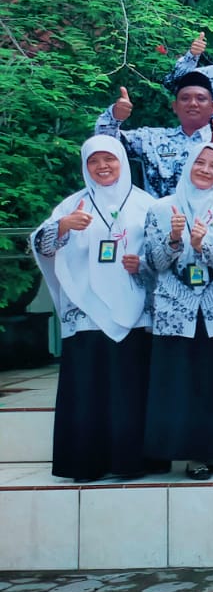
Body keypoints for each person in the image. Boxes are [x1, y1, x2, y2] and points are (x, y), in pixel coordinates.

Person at [31, 137, 158, 483]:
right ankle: (86, 463)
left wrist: (142, 263)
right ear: (85, 166)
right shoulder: (73, 204)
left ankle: (130, 462)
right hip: (85, 308)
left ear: (122, 161)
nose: (102, 167)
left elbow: (162, 254)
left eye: (109, 159)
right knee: (88, 387)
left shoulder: (146, 204)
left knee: (128, 386)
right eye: (94, 161)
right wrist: (63, 226)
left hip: (132, 308)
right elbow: (41, 244)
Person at [142, 142, 213, 480]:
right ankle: (192, 456)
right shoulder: (161, 209)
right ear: (188, 165)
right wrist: (175, 239)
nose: (205, 170)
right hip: (178, 310)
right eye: (200, 163)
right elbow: (153, 263)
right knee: (183, 382)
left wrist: (207, 247)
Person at [95, 73, 213, 199]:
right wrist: (114, 117)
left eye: (201, 99)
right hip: (158, 211)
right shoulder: (152, 139)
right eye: (185, 98)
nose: (193, 103)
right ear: (175, 106)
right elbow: (104, 145)